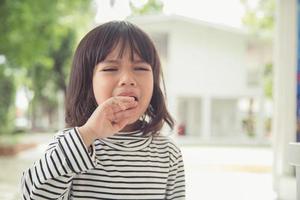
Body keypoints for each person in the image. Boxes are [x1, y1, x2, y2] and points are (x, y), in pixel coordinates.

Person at [21, 21, 185, 200]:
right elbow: (33, 195)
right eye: (110, 68)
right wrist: (89, 133)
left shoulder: (168, 154)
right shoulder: (72, 144)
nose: (127, 79)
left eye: (140, 68)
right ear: (88, 83)